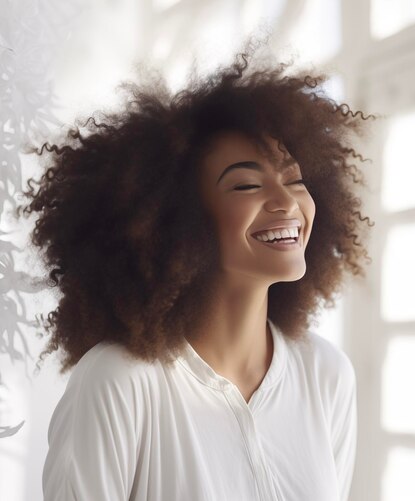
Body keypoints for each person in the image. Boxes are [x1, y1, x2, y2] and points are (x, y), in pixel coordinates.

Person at [17, 39, 376, 501]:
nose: (287, 202)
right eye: (246, 184)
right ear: (179, 221)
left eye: (294, 179)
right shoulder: (118, 382)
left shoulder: (326, 375)